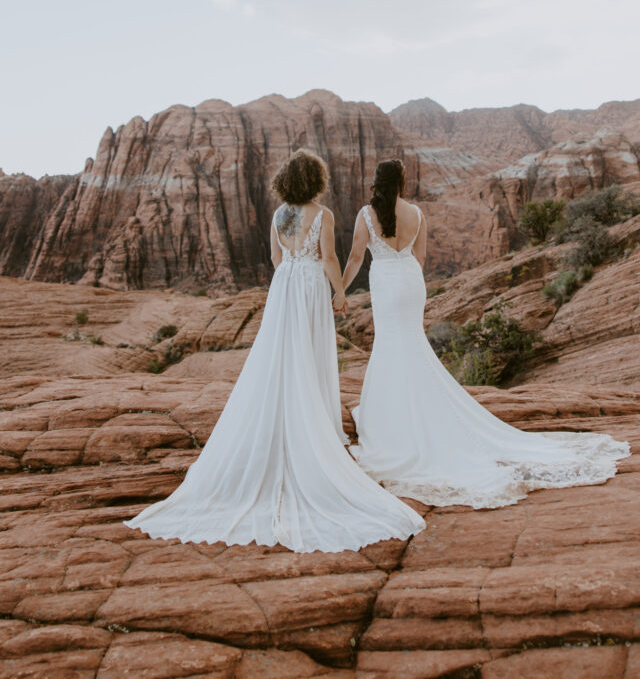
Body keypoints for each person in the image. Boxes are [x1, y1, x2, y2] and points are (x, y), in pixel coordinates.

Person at [125, 149, 425, 552]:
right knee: (311, 353)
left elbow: (274, 257)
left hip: (284, 284)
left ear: (286, 180)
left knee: (281, 354)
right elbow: (331, 257)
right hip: (310, 286)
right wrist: (338, 291)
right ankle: (315, 425)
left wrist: (290, 273)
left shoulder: (278, 215)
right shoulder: (324, 214)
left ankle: (284, 417)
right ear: (315, 179)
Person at [341, 158, 630, 508]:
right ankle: (417, 408)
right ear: (401, 181)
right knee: (412, 344)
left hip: (385, 283)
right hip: (409, 283)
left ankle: (394, 417)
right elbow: (420, 260)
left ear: (377, 181)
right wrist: (409, 284)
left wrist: (340, 290)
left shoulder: (365, 214)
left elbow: (357, 257)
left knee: (389, 346)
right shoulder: (417, 213)